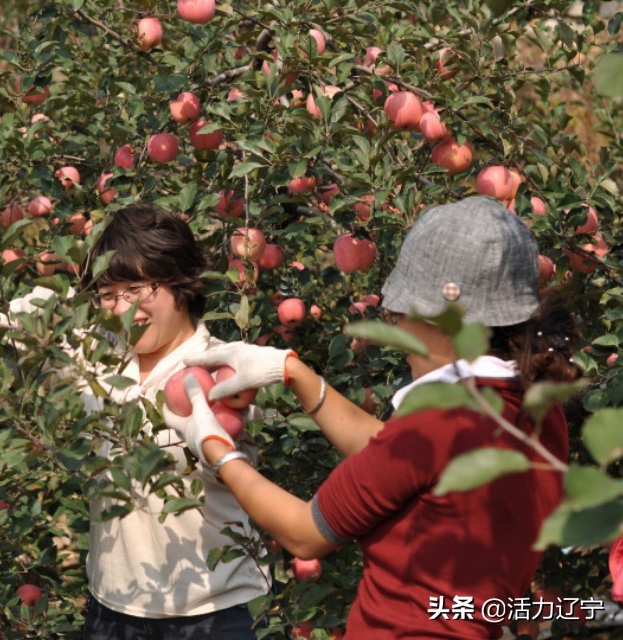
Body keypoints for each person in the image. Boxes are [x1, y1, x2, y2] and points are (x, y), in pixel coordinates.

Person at [163, 196, 583, 639]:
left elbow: (306, 533)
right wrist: (294, 373)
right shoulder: (535, 407)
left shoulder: (437, 421)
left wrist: (217, 449)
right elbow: (400, 461)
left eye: (403, 313)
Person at [4, 203, 269, 639]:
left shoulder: (224, 371)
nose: (126, 310)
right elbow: (13, 322)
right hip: (114, 610)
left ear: (179, 283)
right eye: (110, 295)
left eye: (139, 289)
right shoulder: (93, 358)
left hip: (216, 611)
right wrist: (79, 301)